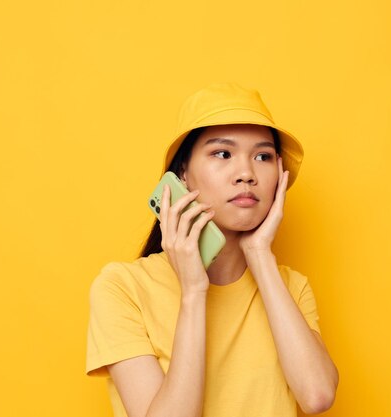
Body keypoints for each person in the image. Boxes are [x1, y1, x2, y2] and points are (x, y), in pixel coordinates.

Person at [86, 83, 339, 417]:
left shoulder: (291, 288)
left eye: (262, 156)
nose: (246, 173)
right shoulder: (123, 287)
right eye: (223, 153)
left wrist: (260, 253)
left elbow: (317, 396)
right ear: (182, 175)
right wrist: (193, 292)